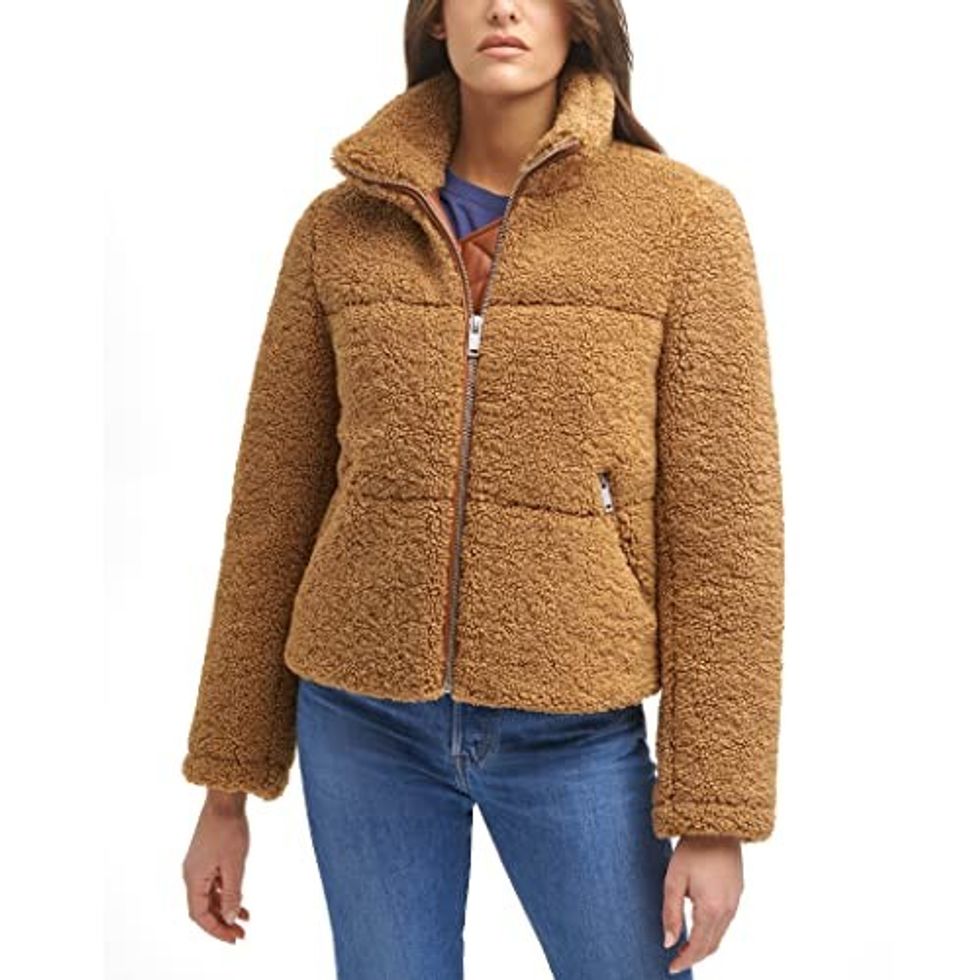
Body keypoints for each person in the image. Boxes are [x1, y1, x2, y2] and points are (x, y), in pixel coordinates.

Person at [180, 1, 784, 977]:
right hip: (358, 717)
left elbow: (726, 528)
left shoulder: (681, 223)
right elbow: (271, 507)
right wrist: (224, 791)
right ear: (435, 20)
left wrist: (715, 816)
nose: (503, 7)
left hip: (574, 727)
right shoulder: (339, 229)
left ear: (579, 20)